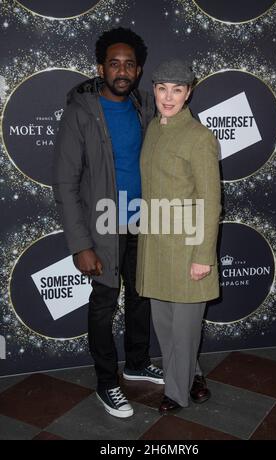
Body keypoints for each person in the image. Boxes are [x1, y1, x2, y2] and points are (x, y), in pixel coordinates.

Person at [53, 27, 163, 420]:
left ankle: (136, 362)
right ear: (101, 67)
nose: (122, 71)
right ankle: (106, 381)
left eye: (129, 64)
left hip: (142, 224)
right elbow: (65, 183)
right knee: (103, 305)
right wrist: (80, 245)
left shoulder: (145, 107)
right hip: (101, 228)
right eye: (114, 64)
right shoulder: (80, 112)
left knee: (139, 296)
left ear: (138, 69)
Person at [136, 59, 221, 414]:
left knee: (184, 332)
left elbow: (211, 200)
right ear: (153, 90)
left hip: (188, 249)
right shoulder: (154, 127)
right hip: (156, 247)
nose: (168, 97)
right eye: (161, 88)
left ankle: (176, 393)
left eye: (177, 90)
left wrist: (204, 255)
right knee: (167, 328)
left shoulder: (199, 137)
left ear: (189, 93)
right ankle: (191, 375)